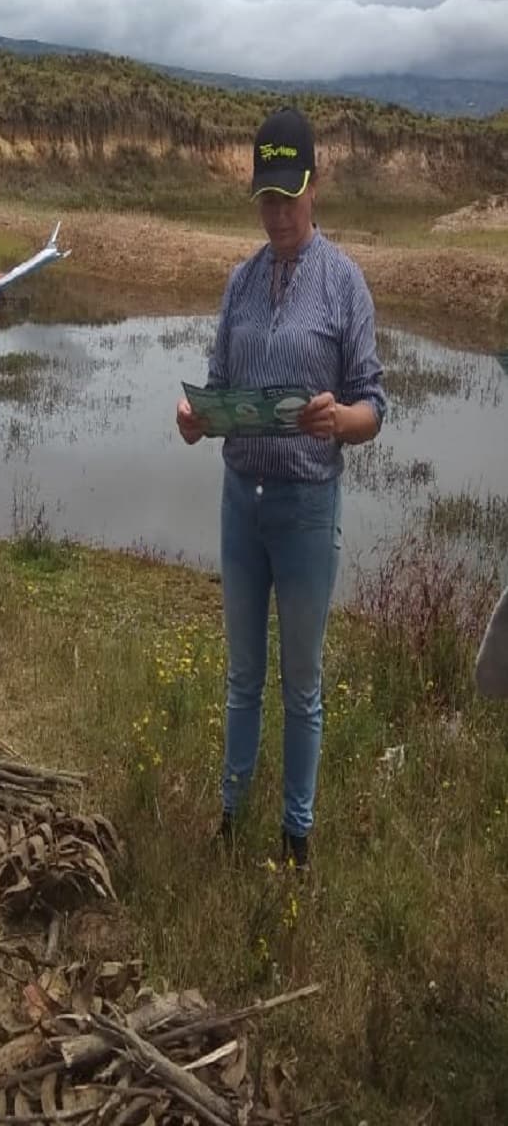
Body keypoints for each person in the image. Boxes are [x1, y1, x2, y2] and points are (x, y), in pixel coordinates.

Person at [176, 107, 385, 870]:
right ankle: (231, 815)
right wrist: (195, 417)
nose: (278, 214)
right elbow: (219, 387)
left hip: (305, 511)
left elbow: (374, 405)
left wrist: (341, 421)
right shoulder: (240, 283)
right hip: (242, 506)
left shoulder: (345, 285)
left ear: (315, 187)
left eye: (289, 198)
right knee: (241, 677)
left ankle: (296, 834)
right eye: (266, 198)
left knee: (302, 683)